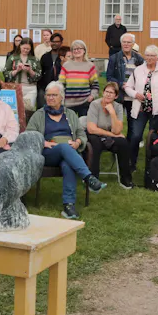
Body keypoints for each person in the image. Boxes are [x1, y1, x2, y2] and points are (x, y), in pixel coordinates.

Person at [27, 82, 107, 219]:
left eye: (54, 95)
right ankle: (89, 178)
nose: (50, 98)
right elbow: (29, 135)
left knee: (67, 164)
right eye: (48, 95)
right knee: (64, 147)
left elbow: (81, 133)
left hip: (70, 152)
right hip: (48, 153)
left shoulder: (70, 114)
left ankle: (69, 206)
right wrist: (43, 142)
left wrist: (77, 142)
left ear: (61, 97)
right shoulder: (39, 115)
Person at [86, 83, 133, 189]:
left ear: (116, 96)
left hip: (109, 137)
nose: (108, 94)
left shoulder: (118, 107)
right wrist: (112, 134)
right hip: (95, 135)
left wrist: (112, 113)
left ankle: (125, 179)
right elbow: (91, 129)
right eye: (106, 92)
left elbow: (117, 130)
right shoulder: (94, 104)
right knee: (95, 143)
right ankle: (93, 180)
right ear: (103, 93)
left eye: (111, 93)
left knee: (123, 143)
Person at [106, 33, 143, 122]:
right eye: (124, 42)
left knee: (133, 124)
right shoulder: (114, 58)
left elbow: (144, 76)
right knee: (115, 121)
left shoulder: (139, 59)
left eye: (128, 42)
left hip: (134, 95)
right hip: (119, 95)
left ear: (133, 44)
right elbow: (109, 77)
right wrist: (121, 84)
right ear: (121, 43)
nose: (126, 44)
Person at [59, 39, 99, 117]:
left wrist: (92, 96)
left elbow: (95, 85)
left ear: (84, 50)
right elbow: (61, 84)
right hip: (68, 103)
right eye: (74, 49)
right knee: (69, 124)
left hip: (85, 102)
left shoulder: (90, 66)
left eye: (79, 48)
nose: (76, 51)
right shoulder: (66, 65)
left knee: (83, 124)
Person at [1, 36, 39, 112]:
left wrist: (30, 70)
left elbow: (39, 75)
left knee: (28, 110)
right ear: (20, 46)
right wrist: (17, 70)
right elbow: (6, 73)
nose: (25, 50)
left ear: (31, 48)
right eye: (24, 48)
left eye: (28, 49)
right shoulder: (12, 58)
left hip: (30, 88)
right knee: (15, 110)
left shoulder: (34, 59)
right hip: (16, 87)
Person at [38, 32, 65, 108]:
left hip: (60, 87)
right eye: (52, 41)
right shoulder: (45, 56)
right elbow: (41, 72)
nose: (54, 43)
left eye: (57, 42)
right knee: (43, 108)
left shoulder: (64, 56)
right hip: (45, 87)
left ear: (61, 43)